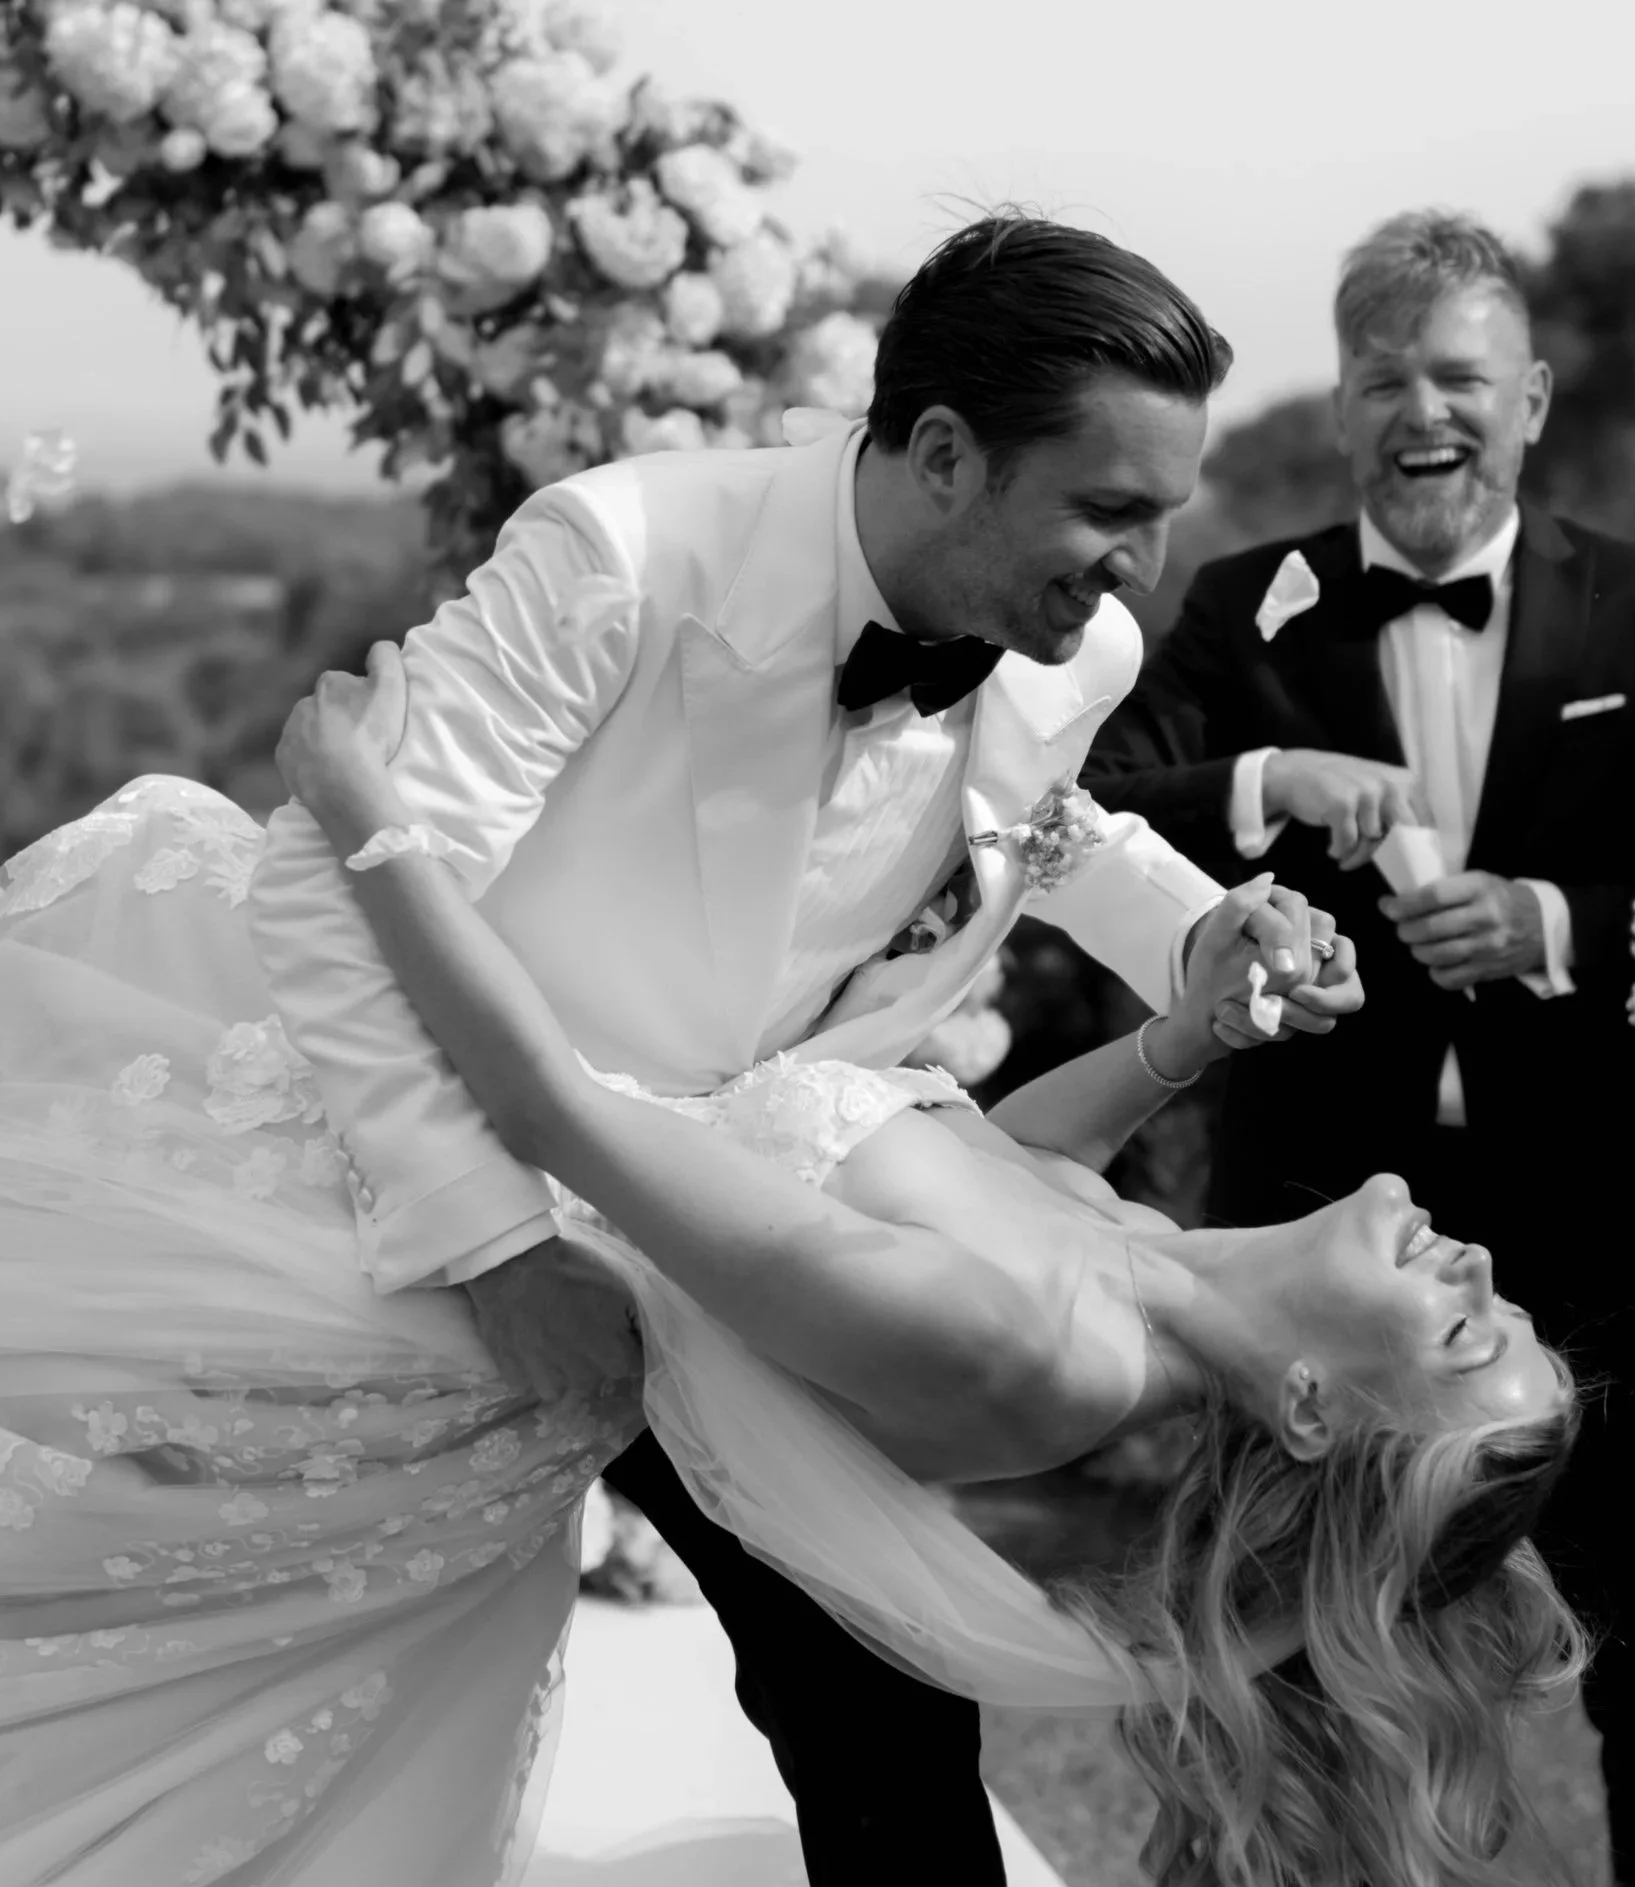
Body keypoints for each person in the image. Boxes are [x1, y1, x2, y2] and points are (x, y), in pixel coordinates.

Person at [0, 709, 1580, 1887]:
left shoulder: (1033, 1358)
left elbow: (568, 1123)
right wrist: (1184, 1035)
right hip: (465, 1228)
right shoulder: (1124, 1313)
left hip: (399, 1269)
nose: (1477, 1266)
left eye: (1471, 1331)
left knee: (4, 1594)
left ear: (1315, 1418)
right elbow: (985, 1171)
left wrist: (360, 817)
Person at [243, 212, 1361, 1885]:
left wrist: (1200, 935)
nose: (1142, 565)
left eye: (1166, 516)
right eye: (1111, 510)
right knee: (232, 1664)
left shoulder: (1080, 640)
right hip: (431, 1183)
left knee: (879, 1699)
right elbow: (325, 895)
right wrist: (489, 1245)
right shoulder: (620, 554)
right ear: (941, 454)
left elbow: (1041, 826)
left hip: (732, 1235)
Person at [1081, 209, 1635, 1885]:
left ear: (1530, 397)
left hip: (1588, 1231)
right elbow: (1086, 808)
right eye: (1383, 378)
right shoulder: (1249, 610)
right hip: (1322, 1239)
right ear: (1340, 410)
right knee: (1278, 1638)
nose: (1424, 411)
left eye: (1460, 375)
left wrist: (1552, 924)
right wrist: (1267, 789)